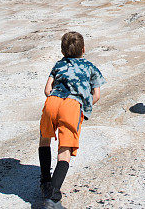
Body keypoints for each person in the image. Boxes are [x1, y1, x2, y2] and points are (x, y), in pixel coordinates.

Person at [39, 31, 105, 208]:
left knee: (44, 140)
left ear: (62, 50)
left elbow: (47, 90)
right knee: (64, 151)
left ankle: (45, 182)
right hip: (71, 106)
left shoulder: (58, 65)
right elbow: (96, 95)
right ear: (83, 49)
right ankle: (52, 197)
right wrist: (83, 105)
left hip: (52, 102)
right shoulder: (90, 67)